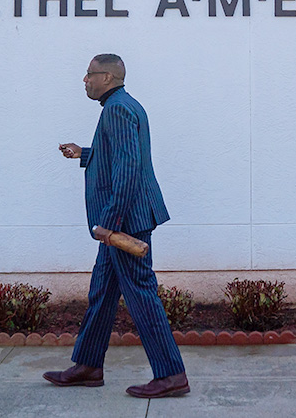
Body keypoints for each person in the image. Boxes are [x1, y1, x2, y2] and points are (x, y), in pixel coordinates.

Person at [44, 53, 189, 399]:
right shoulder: (122, 105)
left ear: (107, 77)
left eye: (90, 74)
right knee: (102, 292)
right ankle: (88, 366)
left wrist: (110, 226)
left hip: (126, 221)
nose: (85, 80)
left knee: (141, 295)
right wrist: (85, 154)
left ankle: (171, 375)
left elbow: (128, 170)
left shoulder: (117, 110)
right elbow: (119, 156)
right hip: (124, 217)